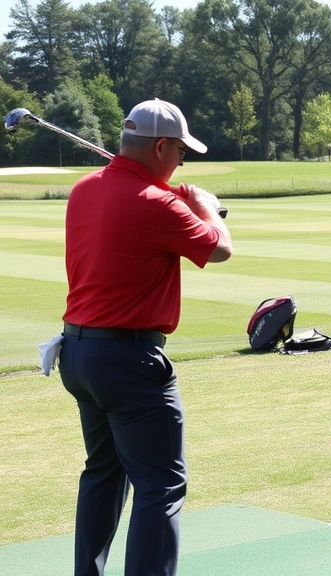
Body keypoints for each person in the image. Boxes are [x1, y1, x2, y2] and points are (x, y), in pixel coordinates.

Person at [57, 99, 232, 576]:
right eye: (180, 152)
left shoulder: (83, 190)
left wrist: (178, 202)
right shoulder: (158, 204)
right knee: (160, 486)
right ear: (160, 146)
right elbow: (220, 249)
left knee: (103, 475)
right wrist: (209, 209)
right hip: (128, 361)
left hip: (78, 354)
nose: (181, 162)